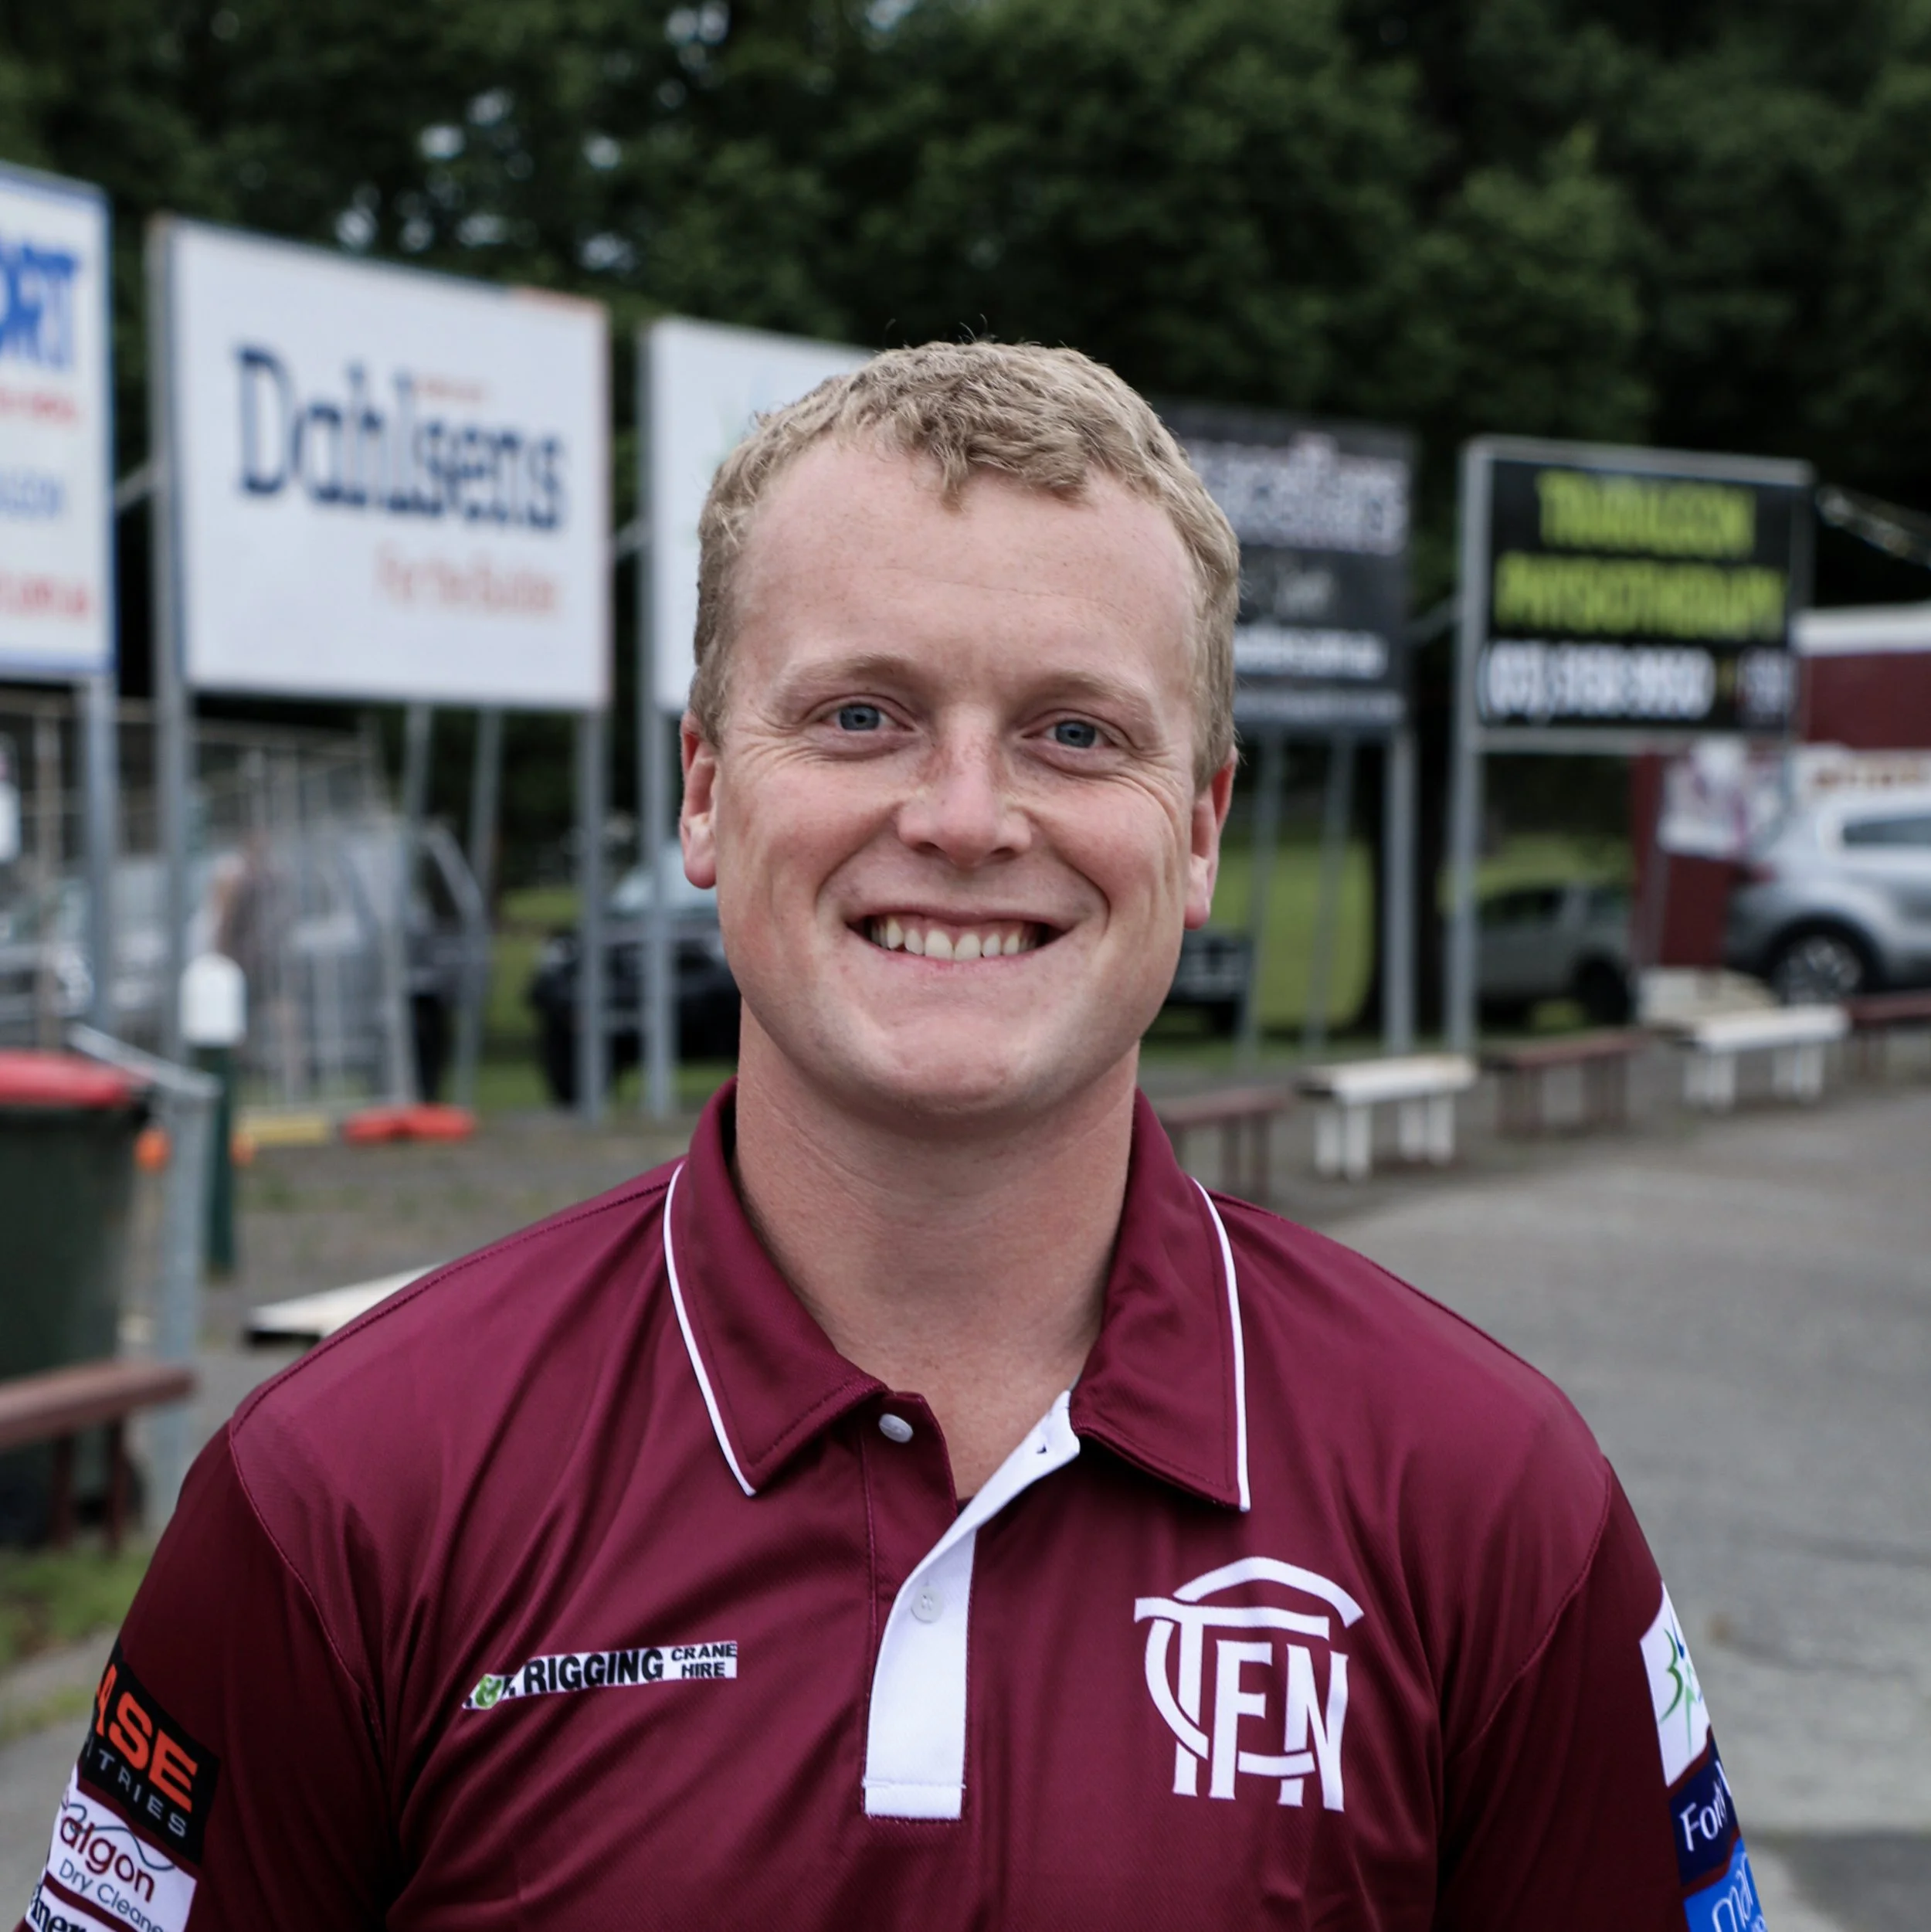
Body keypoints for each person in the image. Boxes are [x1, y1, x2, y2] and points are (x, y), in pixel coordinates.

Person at [18, 343, 1764, 1932]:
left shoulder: (1484, 1497)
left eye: (1074, 734)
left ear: (1203, 824)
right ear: (705, 785)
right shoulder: (345, 1490)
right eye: (861, 715)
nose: (962, 815)